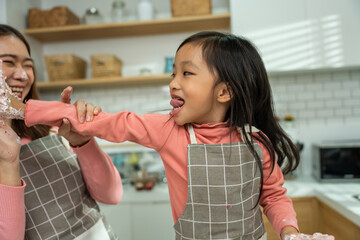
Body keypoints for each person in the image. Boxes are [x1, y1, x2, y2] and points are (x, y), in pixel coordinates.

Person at [5, 31, 303, 239]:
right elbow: (107, 122)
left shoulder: (258, 143)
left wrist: (289, 232)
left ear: (224, 91)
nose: (173, 83)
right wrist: (20, 109)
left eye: (186, 73)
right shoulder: (168, 130)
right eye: (173, 73)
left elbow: (274, 196)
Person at [0, 24, 122, 240]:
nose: (23, 75)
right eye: (8, 62)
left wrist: (84, 142)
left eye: (28, 65)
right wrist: (9, 164)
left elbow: (112, 195)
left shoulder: (51, 131)